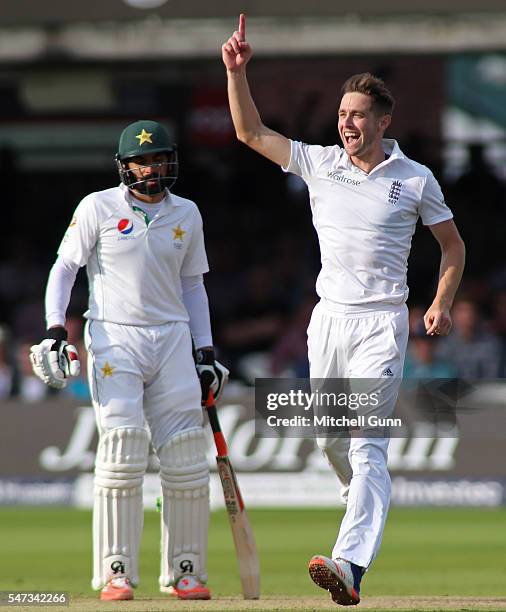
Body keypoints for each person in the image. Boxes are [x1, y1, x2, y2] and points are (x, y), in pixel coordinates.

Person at [223, 15, 465, 606]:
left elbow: (453, 246)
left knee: (366, 447)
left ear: (384, 122)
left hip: (382, 323)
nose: (346, 123)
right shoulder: (320, 163)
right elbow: (251, 133)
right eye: (341, 114)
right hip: (327, 320)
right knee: (334, 445)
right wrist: (237, 72)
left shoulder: (414, 179)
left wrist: (439, 303)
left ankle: (350, 562)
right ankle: (366, 501)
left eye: (357, 115)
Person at [29, 120, 228, 602]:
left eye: (160, 159)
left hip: (174, 339)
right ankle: (115, 571)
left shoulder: (188, 213)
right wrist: (56, 328)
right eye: (143, 161)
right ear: (125, 167)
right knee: (122, 448)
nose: (153, 168)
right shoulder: (97, 207)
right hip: (115, 339)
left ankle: (186, 571)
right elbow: (65, 268)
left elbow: (192, 285)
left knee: (184, 458)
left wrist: (205, 350)